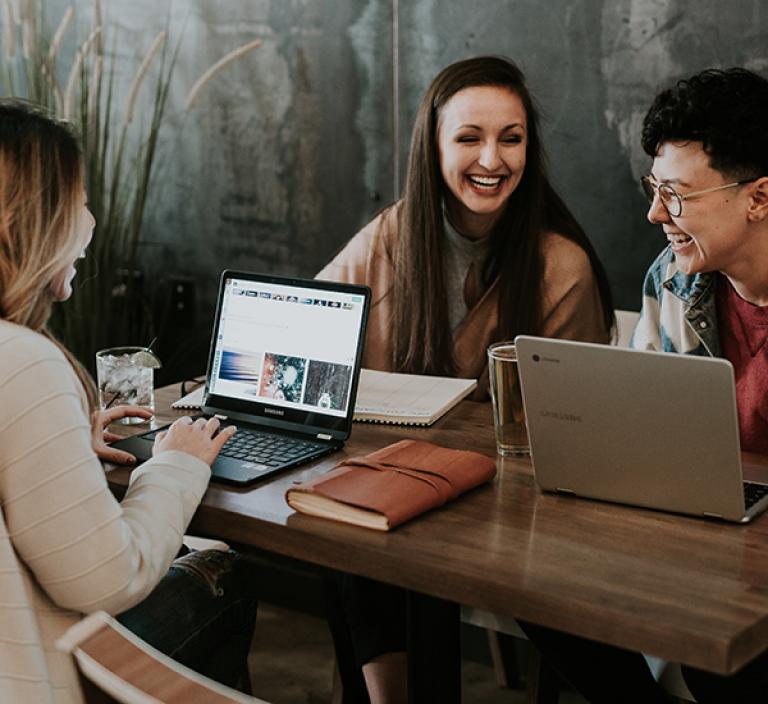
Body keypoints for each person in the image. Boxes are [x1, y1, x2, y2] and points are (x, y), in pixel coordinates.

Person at [317, 55, 615, 703]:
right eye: (469, 137)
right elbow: (315, 325)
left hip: (508, 510)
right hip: (397, 486)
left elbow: (575, 430)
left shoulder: (560, 265)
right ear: (434, 146)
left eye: (511, 138)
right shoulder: (395, 233)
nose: (492, 159)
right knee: (345, 531)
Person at [522, 67, 768, 703]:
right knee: (537, 586)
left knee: (727, 657)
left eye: (678, 195)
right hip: (698, 536)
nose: (656, 213)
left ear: (759, 197)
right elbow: (641, 438)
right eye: (653, 189)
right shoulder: (674, 281)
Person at [0, 100, 258, 703]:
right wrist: (177, 464)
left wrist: (60, 444)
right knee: (223, 573)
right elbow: (105, 580)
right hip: (27, 674)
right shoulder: (23, 361)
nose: (89, 219)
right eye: (78, 200)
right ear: (33, 220)